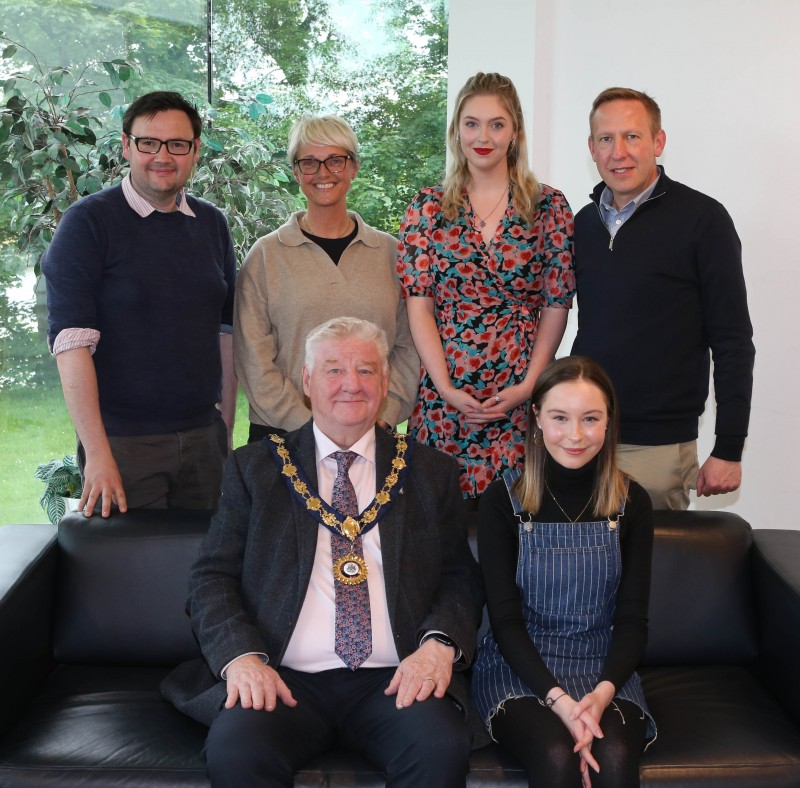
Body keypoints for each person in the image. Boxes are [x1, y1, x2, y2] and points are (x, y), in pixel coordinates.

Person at [161, 316, 483, 787]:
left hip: (394, 679)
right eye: (333, 369)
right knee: (238, 752)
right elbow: (212, 578)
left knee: (441, 750)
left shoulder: (430, 471)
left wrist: (438, 645)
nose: (351, 383)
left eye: (366, 370)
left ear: (386, 380)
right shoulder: (256, 470)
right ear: (308, 382)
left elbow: (459, 577)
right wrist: (242, 659)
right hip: (282, 677)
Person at [41, 90, 236, 517]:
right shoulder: (87, 224)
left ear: (195, 151)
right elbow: (71, 343)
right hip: (124, 445)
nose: (162, 156)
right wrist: (97, 453)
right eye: (149, 142)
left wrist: (227, 426)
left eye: (177, 144)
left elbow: (227, 332)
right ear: (127, 146)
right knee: (132, 577)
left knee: (205, 571)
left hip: (205, 440)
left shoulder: (212, 225)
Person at [472, 356, 655, 788]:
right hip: (519, 668)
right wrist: (560, 702)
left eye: (590, 419)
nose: (575, 435)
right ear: (536, 418)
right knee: (557, 755)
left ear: (609, 423)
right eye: (560, 418)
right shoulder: (502, 500)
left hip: (604, 668)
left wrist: (598, 698)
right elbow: (505, 621)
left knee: (612, 754)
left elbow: (632, 621)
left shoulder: (634, 503)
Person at [572, 86, 755, 510]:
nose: (619, 152)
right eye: (606, 139)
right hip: (580, 438)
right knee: (578, 571)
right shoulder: (582, 224)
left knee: (652, 574)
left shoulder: (703, 220)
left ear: (658, 142)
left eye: (632, 136)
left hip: (657, 447)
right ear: (592, 149)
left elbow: (732, 341)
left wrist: (728, 447)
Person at [397, 72, 575, 504]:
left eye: (497, 124)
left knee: (515, 534)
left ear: (515, 132)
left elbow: (556, 305)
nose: (484, 136)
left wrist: (529, 386)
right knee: (435, 533)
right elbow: (418, 306)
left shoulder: (548, 206)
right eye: (472, 123)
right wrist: (445, 389)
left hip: (517, 400)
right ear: (456, 130)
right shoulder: (427, 207)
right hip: (445, 398)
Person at [234, 114, 419, 443]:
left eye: (335, 160)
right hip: (283, 440)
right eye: (310, 162)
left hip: (371, 436)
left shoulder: (392, 254)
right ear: (295, 172)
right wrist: (314, 432)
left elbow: (409, 347)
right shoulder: (265, 257)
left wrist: (386, 414)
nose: (323, 173)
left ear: (353, 167)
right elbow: (253, 362)